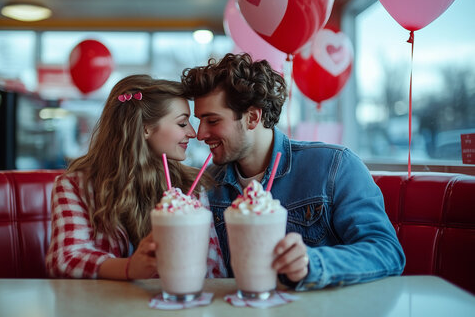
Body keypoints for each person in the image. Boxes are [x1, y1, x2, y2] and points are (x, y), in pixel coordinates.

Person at [181, 53, 405, 291]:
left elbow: (387, 252)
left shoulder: (334, 165)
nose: (200, 133)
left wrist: (312, 263)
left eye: (212, 121)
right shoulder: (208, 187)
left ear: (253, 117)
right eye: (199, 121)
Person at [46, 74, 226, 280]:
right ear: (145, 128)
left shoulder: (190, 187)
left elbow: (214, 267)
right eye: (183, 123)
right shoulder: (74, 186)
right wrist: (130, 268)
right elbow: (64, 259)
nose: (193, 133)